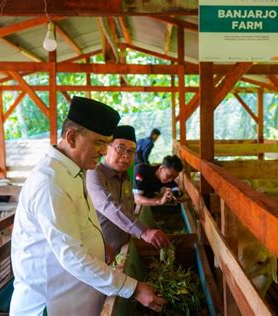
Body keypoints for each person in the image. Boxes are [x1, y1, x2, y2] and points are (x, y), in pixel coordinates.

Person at [10, 97, 166, 316]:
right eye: (99, 143)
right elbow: (72, 256)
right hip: (52, 304)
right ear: (72, 137)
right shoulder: (50, 182)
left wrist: (100, 245)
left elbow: (80, 222)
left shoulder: (74, 170)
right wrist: (133, 288)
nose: (104, 151)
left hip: (77, 297)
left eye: (106, 143)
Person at [86, 125, 170, 254]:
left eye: (131, 151)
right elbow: (109, 206)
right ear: (106, 148)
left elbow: (129, 207)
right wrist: (144, 231)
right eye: (120, 148)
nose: (126, 156)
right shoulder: (94, 174)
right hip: (99, 252)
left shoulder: (125, 176)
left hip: (122, 251)